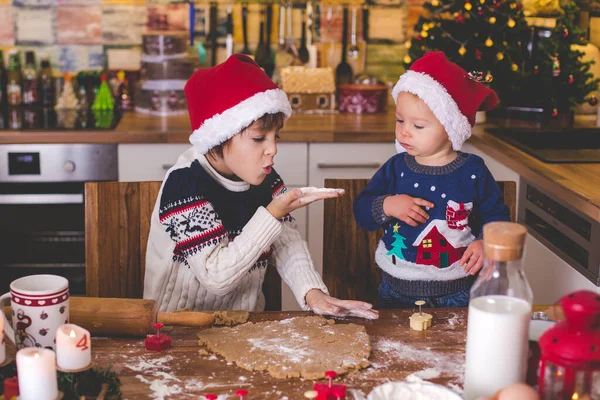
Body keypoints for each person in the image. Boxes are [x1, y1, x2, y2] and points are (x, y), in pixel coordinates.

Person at [143, 54, 378, 319]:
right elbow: (216, 277)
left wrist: (313, 293)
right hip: (177, 327)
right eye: (258, 138)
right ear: (219, 137)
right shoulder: (185, 184)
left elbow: (286, 243)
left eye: (275, 136)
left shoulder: (265, 179)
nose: (273, 148)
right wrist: (272, 213)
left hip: (243, 323)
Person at [353, 51, 510, 309]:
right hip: (394, 291)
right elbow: (361, 211)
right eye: (400, 120)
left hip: (457, 293)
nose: (404, 130)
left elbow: (496, 215)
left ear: (451, 128)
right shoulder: (396, 167)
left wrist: (486, 243)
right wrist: (387, 205)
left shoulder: (473, 170)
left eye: (418, 126)